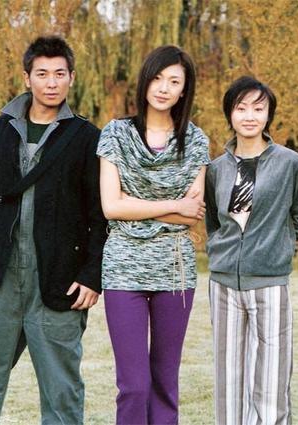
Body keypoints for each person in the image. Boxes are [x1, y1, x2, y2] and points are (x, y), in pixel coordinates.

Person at [0, 35, 106, 424]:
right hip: (3, 273)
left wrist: (92, 274)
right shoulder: (2, 129)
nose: (51, 82)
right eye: (42, 74)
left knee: (60, 384)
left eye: (59, 73)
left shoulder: (87, 137)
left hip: (60, 277)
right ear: (27, 78)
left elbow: (99, 213)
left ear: (71, 78)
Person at [97, 45, 209, 425]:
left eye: (174, 81)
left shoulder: (195, 141)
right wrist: (171, 205)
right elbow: (111, 206)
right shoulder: (116, 134)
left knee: (165, 381)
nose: (164, 88)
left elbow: (191, 215)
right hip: (123, 269)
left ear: (184, 90)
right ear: (145, 80)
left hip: (175, 270)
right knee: (134, 385)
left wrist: (135, 202)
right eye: (158, 78)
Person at [205, 76, 298, 425]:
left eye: (258, 108)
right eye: (241, 108)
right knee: (229, 379)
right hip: (223, 283)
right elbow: (213, 220)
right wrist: (223, 251)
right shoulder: (216, 169)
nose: (249, 116)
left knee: (271, 379)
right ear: (230, 114)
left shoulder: (290, 164)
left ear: (269, 115)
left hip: (270, 282)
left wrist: (274, 244)